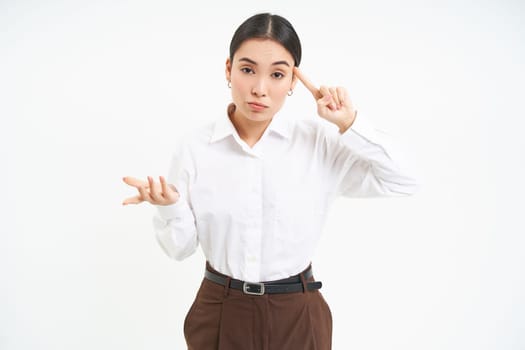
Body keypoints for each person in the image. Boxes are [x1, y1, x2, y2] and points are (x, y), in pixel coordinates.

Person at [122, 12, 418, 350]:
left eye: (277, 74)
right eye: (247, 70)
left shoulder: (318, 144)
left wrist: (349, 123)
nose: (259, 89)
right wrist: (170, 209)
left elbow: (405, 179)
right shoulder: (194, 147)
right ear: (228, 69)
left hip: (297, 313)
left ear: (293, 82)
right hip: (220, 309)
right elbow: (180, 249)